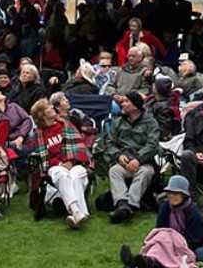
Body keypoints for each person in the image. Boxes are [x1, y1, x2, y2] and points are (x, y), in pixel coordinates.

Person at [118, 175, 203, 268]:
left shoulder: (195, 214)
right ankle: (142, 263)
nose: (171, 196)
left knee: (165, 242)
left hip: (187, 246)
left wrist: (173, 241)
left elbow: (194, 239)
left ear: (184, 195)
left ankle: (146, 263)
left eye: (175, 193)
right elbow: (160, 229)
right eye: (170, 193)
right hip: (165, 241)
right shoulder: (165, 206)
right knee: (159, 241)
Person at [29, 98, 92, 228]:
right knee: (60, 174)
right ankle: (79, 211)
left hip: (75, 163)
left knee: (75, 176)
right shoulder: (39, 134)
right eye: (48, 107)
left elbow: (78, 146)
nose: (52, 107)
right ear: (42, 114)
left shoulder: (66, 125)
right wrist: (60, 164)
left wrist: (71, 161)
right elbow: (41, 157)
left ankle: (76, 214)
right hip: (55, 167)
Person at [106, 92, 160, 224]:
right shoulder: (118, 121)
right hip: (124, 162)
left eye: (126, 101)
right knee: (114, 171)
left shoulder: (150, 122)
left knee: (145, 172)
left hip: (144, 162)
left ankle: (130, 205)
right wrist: (118, 155)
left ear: (135, 106)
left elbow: (153, 145)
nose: (122, 104)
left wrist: (139, 159)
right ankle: (122, 203)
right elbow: (110, 142)